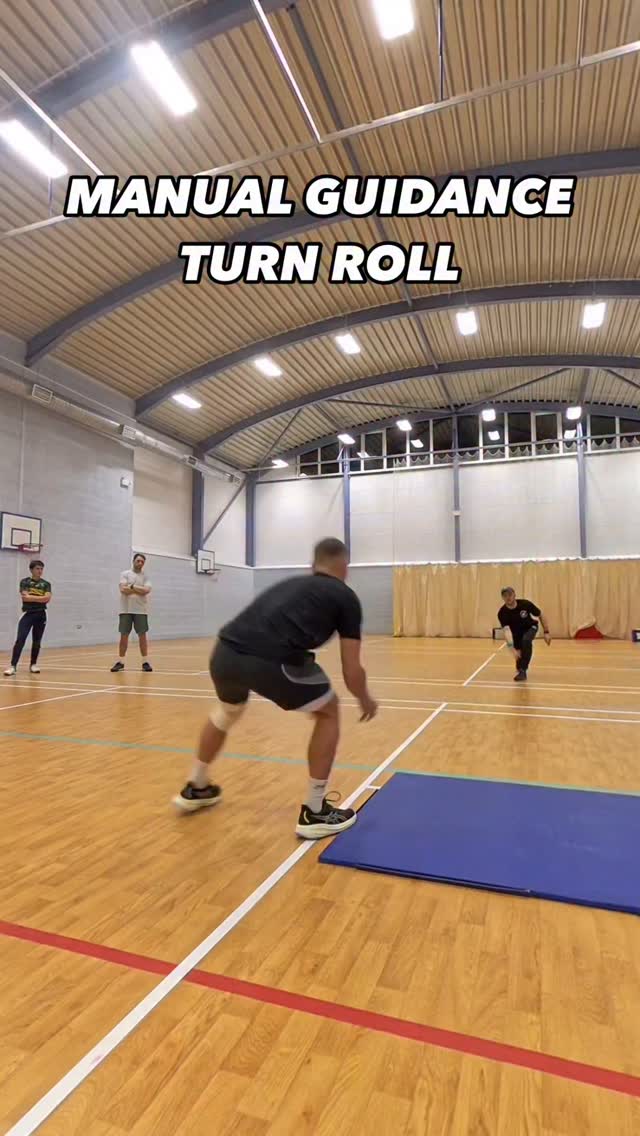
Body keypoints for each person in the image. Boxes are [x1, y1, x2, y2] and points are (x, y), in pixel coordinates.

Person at [173, 537, 378, 838]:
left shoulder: (292, 584)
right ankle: (315, 811)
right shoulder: (344, 596)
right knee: (329, 711)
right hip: (270, 659)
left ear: (314, 565)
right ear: (344, 565)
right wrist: (365, 698)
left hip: (224, 653)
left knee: (228, 711)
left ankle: (197, 785)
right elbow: (351, 670)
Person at [4, 559, 52, 676]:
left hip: (41, 615)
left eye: (41, 569)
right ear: (31, 570)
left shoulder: (46, 584)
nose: (40, 571)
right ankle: (13, 666)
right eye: (37, 568)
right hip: (28, 614)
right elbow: (25, 597)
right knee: (20, 639)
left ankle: (33, 664)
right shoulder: (25, 582)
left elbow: (47, 599)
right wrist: (40, 598)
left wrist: (32, 597)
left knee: (37, 641)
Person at [497, 587, 551, 682]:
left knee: (526, 640)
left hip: (530, 627)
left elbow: (541, 614)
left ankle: (523, 671)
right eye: (505, 596)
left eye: (510, 595)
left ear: (514, 595)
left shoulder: (525, 604)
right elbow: (506, 631)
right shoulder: (502, 613)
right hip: (516, 634)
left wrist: (546, 632)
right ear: (502, 598)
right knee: (519, 657)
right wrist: (512, 649)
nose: (508, 597)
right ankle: (520, 667)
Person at [111, 553, 153, 672]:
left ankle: (145, 662)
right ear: (133, 561)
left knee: (142, 636)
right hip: (125, 610)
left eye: (142, 562)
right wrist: (139, 589)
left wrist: (132, 586)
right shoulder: (125, 574)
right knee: (124, 636)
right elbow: (122, 589)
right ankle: (121, 662)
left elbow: (146, 590)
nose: (140, 563)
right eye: (138, 561)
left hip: (141, 611)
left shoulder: (146, 576)